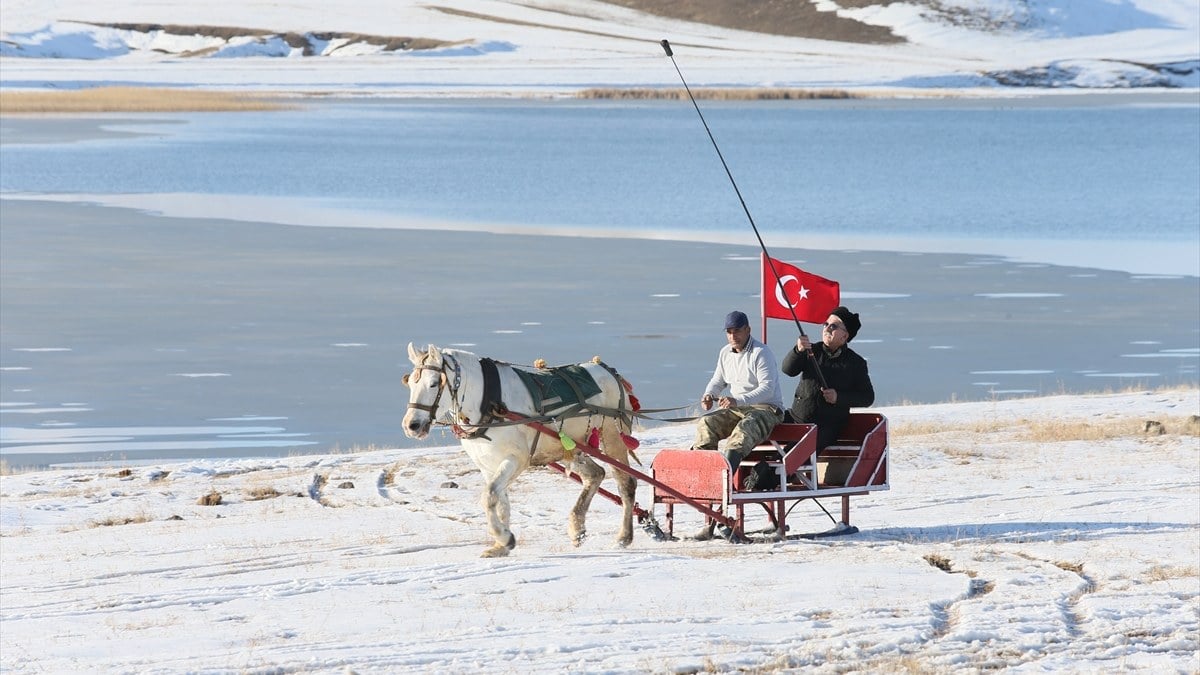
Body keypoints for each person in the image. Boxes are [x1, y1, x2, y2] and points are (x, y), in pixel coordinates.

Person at [692, 310, 785, 538]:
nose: (733, 336)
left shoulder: (761, 353)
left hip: (767, 410)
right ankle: (708, 481)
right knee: (706, 424)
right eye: (729, 332)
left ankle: (724, 488)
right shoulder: (725, 353)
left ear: (748, 330)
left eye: (738, 331)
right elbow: (718, 380)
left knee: (743, 431)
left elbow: (767, 389)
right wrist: (709, 394)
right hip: (737, 408)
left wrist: (738, 400)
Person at [781, 306, 875, 452]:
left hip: (827, 427)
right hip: (797, 419)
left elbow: (867, 397)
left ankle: (773, 474)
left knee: (792, 455)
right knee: (764, 424)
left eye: (834, 326)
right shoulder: (811, 350)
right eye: (826, 324)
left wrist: (838, 397)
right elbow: (788, 370)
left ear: (845, 336)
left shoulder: (855, 363)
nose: (827, 328)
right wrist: (798, 350)